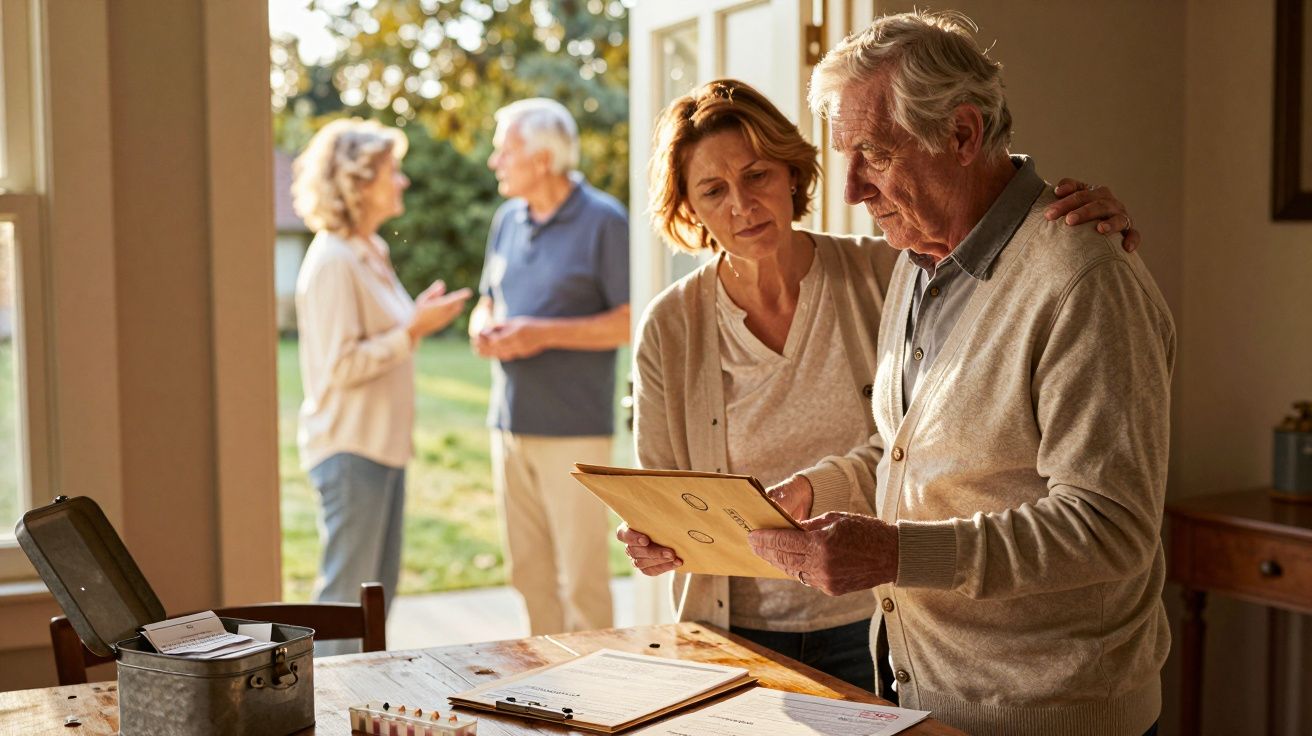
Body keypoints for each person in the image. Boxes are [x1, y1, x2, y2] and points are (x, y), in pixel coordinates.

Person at [618, 79, 1140, 691]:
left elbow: (918, 438)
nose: (742, 205)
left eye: (757, 175)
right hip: (738, 624)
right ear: (689, 209)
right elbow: (665, 495)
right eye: (713, 190)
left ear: (791, 174)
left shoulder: (891, 270)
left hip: (877, 616)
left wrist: (1078, 227)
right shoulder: (669, 325)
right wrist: (654, 537)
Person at [743, 12, 1173, 735]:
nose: (849, 189)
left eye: (873, 154)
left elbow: (1109, 527)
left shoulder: (1084, 278)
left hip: (1049, 716)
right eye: (845, 154)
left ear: (963, 135)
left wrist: (896, 552)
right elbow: (912, 457)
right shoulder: (916, 264)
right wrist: (816, 490)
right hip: (923, 700)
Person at [292, 118, 471, 654]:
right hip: (350, 451)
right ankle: (320, 714)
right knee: (345, 607)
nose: (404, 181)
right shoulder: (333, 260)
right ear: (359, 180)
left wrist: (412, 319)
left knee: (374, 602)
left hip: (381, 450)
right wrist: (412, 329)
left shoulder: (368, 250)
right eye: (393, 170)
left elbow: (384, 334)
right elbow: (339, 366)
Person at [469, 98, 629, 636]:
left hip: (574, 430)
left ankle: (598, 695)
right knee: (527, 573)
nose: (496, 162)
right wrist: (481, 324)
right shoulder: (507, 219)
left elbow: (630, 321)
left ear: (541, 158)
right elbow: (488, 296)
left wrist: (539, 335)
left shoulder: (604, 220)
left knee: (581, 580)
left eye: (504, 150)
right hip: (509, 425)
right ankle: (546, 688)